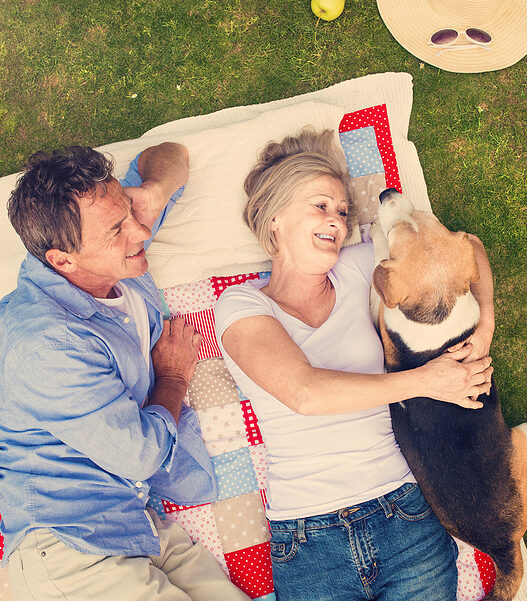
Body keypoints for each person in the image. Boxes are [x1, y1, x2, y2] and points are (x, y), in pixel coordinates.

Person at [214, 129, 495, 601]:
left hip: (405, 517)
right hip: (307, 543)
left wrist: (483, 324)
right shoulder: (240, 305)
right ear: (275, 217)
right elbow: (305, 393)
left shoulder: (362, 267)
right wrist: (427, 381)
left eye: (343, 212)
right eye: (320, 206)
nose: (337, 222)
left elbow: (469, 247)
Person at [0, 144, 250, 601]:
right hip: (69, 548)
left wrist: (150, 193)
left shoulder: (106, 244)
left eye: (129, 211)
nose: (139, 231)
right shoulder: (46, 345)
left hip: (136, 524)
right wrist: (172, 377)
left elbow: (171, 154)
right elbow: (140, 456)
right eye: (119, 227)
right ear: (61, 260)